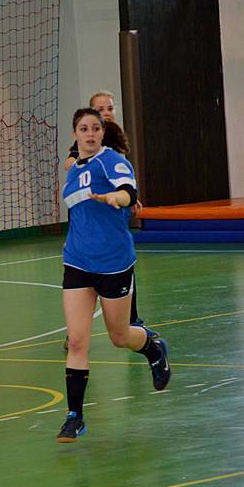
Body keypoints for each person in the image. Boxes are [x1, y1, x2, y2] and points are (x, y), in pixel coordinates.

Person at [58, 108, 171, 443]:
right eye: (83, 129)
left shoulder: (112, 161)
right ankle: (75, 416)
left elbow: (128, 192)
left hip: (113, 262)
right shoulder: (74, 172)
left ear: (102, 133)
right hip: (77, 260)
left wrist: (116, 198)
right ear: (75, 134)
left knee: (119, 336)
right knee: (77, 341)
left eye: (95, 128)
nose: (90, 134)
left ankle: (153, 348)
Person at [63, 90, 146, 352]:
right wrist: (77, 166)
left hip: (112, 221)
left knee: (119, 264)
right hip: (86, 219)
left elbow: (125, 182)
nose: (107, 112)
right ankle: (76, 331)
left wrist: (126, 197)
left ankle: (132, 322)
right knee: (84, 273)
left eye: (110, 108)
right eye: (101, 109)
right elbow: (71, 163)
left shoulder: (114, 147)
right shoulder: (85, 145)